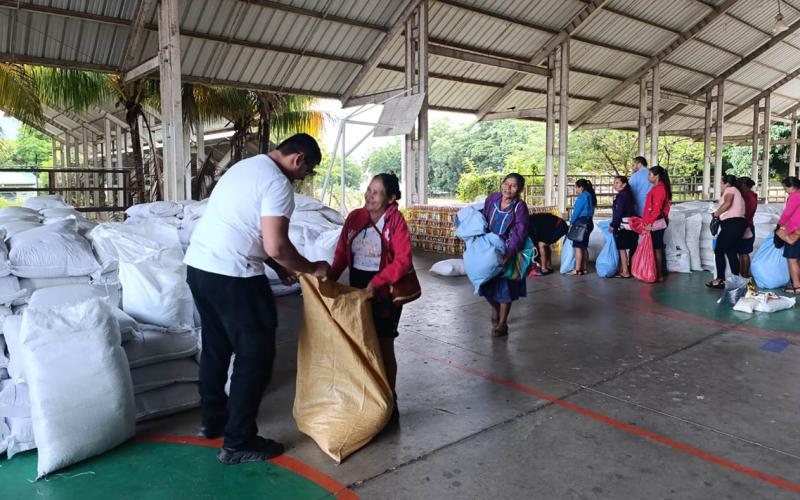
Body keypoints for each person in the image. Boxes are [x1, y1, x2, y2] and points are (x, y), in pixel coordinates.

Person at [184, 133, 330, 465]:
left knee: (217, 347)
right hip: (234, 276)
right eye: (306, 172)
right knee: (256, 355)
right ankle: (239, 442)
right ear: (298, 160)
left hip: (200, 268)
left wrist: (277, 266)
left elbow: (247, 228)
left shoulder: (246, 167)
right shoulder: (278, 184)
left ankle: (212, 421)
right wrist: (311, 269)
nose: (302, 179)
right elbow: (276, 243)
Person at [328, 173, 413, 420]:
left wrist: (377, 283)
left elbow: (403, 260)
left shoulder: (395, 221)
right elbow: (342, 253)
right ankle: (369, 397)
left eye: (376, 192)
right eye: (368, 190)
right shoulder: (355, 218)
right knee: (363, 344)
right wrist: (329, 279)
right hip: (358, 291)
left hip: (384, 292)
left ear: (391, 198)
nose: (369, 195)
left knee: (384, 345)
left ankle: (390, 398)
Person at [479, 173, 529, 337]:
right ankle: (495, 307)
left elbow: (519, 233)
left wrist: (509, 253)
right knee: (484, 283)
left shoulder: (519, 207)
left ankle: (503, 323)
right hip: (489, 248)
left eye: (513, 186)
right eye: (506, 184)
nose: (508, 188)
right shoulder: (493, 199)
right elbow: (484, 218)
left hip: (508, 250)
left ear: (519, 189)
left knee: (505, 286)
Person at [706, 175, 747, 289]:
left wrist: (716, 214)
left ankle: (720, 279)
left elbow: (728, 203)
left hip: (732, 224)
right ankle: (736, 279)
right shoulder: (737, 191)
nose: (720, 185)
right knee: (731, 251)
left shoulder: (730, 190)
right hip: (738, 224)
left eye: (721, 183)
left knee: (719, 249)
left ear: (726, 183)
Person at [642, 166, 672, 283]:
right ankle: (656, 273)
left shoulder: (659, 189)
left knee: (657, 248)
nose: (648, 176)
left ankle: (659, 274)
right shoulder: (658, 188)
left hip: (657, 222)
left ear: (657, 176)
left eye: (650, 174)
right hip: (655, 221)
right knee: (655, 247)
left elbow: (656, 210)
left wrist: (650, 224)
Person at [608, 175, 637, 278]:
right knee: (630, 247)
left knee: (622, 248)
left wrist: (613, 225)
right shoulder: (629, 195)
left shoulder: (621, 196)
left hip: (623, 225)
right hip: (631, 224)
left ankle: (625, 271)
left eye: (617, 183)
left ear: (624, 184)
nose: (614, 185)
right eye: (614, 182)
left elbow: (618, 212)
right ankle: (628, 269)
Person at [567, 179, 596, 276]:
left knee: (578, 247)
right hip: (589, 222)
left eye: (576, 187)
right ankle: (584, 269)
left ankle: (577, 270)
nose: (575, 189)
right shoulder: (590, 196)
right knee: (583, 246)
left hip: (581, 223)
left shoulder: (582, 197)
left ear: (581, 188)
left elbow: (576, 212)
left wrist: (571, 223)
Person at [778, 176, 800, 294]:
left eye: (785, 187)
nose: (785, 190)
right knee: (798, 259)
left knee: (792, 259)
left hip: (795, 230)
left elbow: (788, 213)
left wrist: (779, 224)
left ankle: (796, 286)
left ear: (791, 186)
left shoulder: (795, 196)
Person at [737, 177, 758, 278]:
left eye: (740, 185)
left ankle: (744, 275)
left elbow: (746, 213)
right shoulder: (751, 195)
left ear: (744, 185)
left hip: (745, 225)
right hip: (748, 224)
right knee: (743, 252)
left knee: (744, 252)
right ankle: (744, 274)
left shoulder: (748, 196)